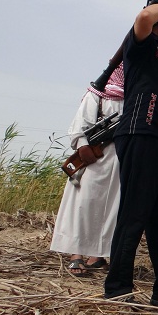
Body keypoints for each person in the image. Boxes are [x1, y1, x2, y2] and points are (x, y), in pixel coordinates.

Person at [104, 0, 158, 310]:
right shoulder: (139, 46)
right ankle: (117, 288)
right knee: (134, 213)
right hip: (141, 133)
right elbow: (142, 17)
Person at [50, 65, 124, 276]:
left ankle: (98, 256)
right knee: (83, 206)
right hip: (94, 159)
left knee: (109, 210)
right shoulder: (97, 95)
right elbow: (79, 127)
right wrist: (83, 148)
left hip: (117, 162)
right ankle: (76, 255)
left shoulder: (134, 97)